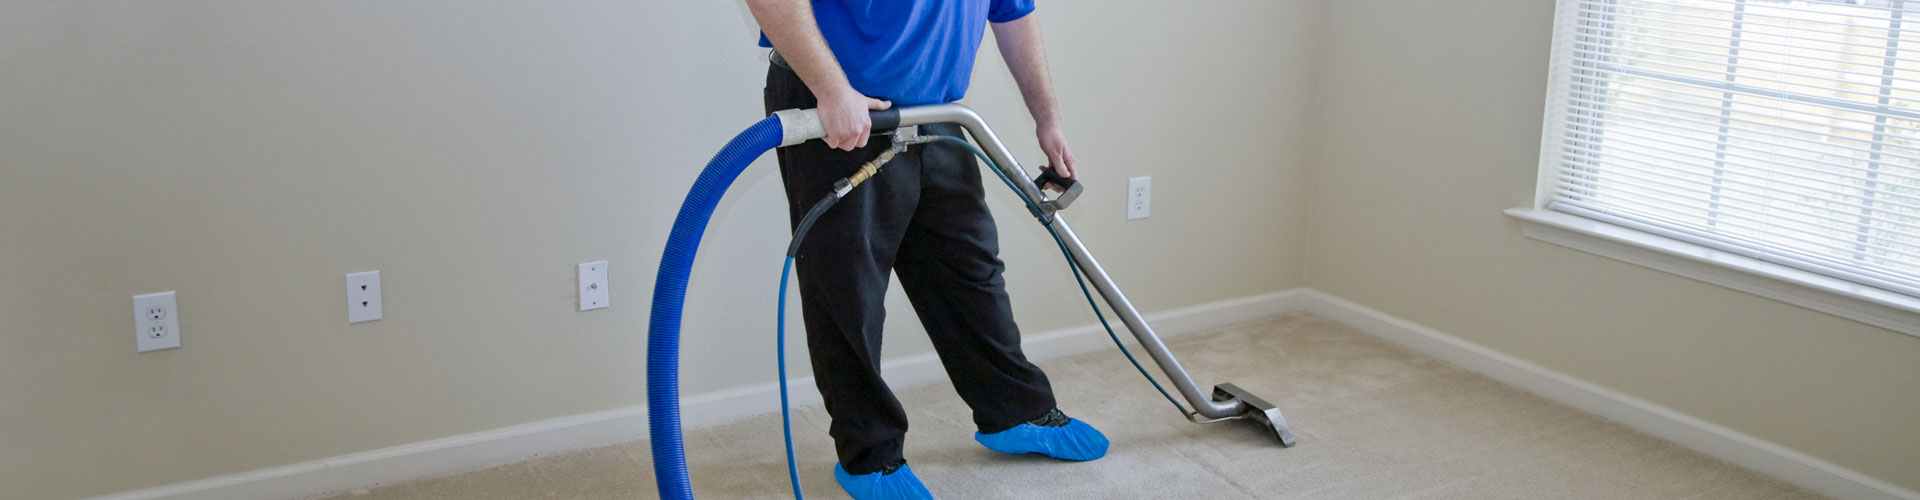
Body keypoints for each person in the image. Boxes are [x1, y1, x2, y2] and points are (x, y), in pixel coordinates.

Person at [744, 1, 1107, 498]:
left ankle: (1014, 411)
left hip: (937, 111)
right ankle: (869, 456)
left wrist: (1047, 119)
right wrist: (830, 90)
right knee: (849, 291)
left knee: (968, 268)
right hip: (843, 110)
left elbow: (1013, 11)